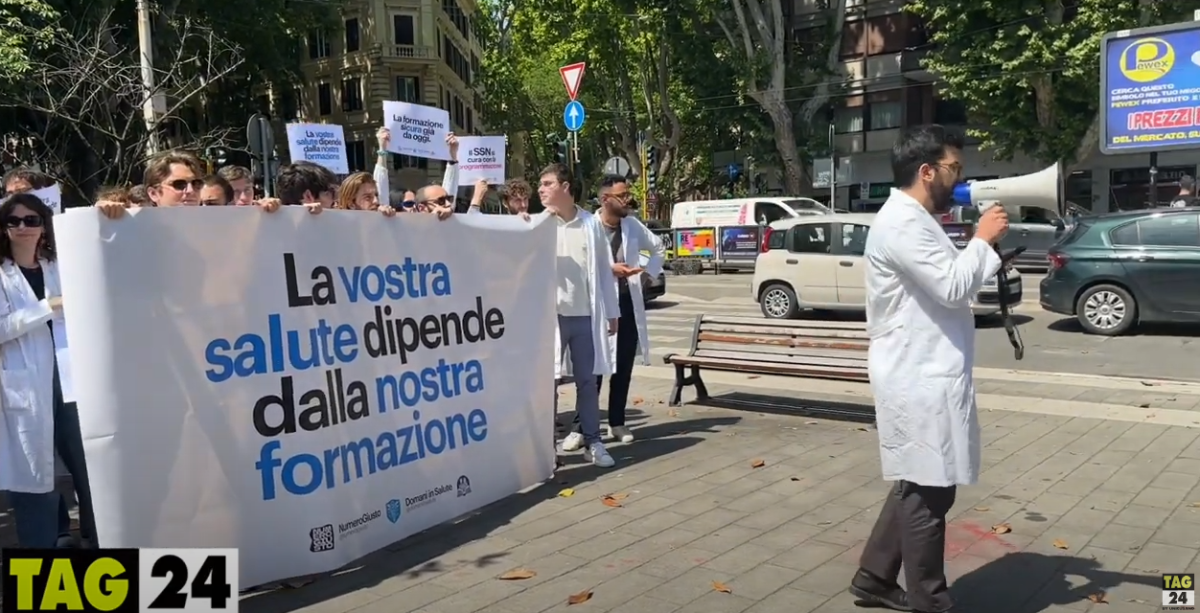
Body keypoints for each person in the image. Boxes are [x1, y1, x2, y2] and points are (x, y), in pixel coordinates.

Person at [848, 125, 1009, 613]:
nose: (959, 180)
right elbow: (953, 287)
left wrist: (984, 249)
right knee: (929, 491)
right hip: (915, 375)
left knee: (921, 482)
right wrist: (982, 240)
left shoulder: (915, 219)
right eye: (954, 169)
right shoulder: (901, 223)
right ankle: (930, 601)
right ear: (926, 171)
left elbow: (951, 282)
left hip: (927, 370)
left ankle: (874, 577)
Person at [0, 193, 97, 549]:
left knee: (92, 474)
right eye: (15, 221)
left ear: (45, 225)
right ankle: (39, 577)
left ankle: (102, 553)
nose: (24, 228)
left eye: (32, 220)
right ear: (4, 228)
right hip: (25, 389)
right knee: (33, 482)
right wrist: (46, 308)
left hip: (73, 382)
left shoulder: (61, 265)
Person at [561, 175, 664, 449]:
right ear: (605, 199)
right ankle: (581, 428)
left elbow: (658, 248)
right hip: (597, 307)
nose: (628, 199)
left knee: (623, 367)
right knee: (590, 370)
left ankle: (617, 422)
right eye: (622, 195)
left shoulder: (632, 225)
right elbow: (576, 265)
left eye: (628, 193)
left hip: (626, 305)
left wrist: (644, 277)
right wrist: (610, 271)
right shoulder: (586, 225)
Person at [538, 164, 620, 468]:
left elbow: (603, 268)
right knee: (549, 382)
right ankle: (548, 448)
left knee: (587, 380)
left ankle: (593, 441)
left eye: (547, 183)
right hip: (552, 319)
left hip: (585, 316)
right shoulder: (539, 224)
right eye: (540, 184)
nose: (541, 189)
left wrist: (612, 312)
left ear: (566, 187)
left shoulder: (590, 224)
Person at [373, 128, 460, 210]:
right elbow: (381, 197)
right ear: (422, 207)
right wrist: (382, 149)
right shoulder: (391, 224)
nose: (448, 204)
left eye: (448, 199)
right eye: (441, 201)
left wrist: (452, 156)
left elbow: (449, 193)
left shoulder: (444, 221)